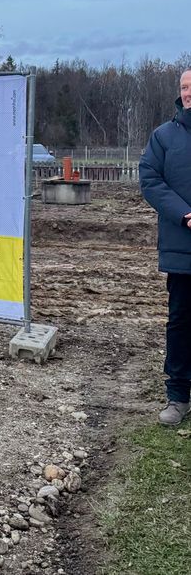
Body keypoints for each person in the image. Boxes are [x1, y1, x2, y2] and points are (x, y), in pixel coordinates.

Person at [140, 68, 191, 426]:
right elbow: (149, 179)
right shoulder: (164, 136)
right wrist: (185, 214)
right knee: (181, 323)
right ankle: (178, 397)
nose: (188, 93)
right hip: (182, 248)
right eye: (184, 87)